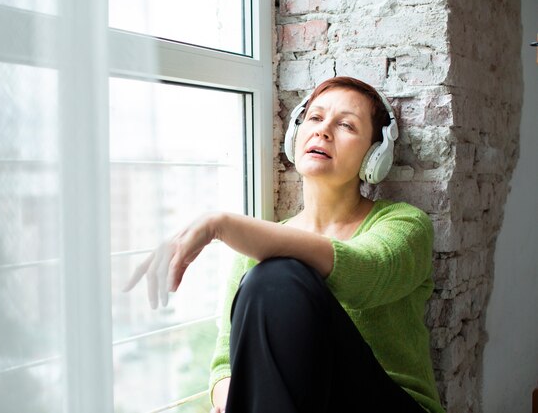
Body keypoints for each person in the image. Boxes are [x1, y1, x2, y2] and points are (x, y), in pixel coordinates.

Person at [125, 76, 445, 413]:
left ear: (374, 154)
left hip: (391, 404)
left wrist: (220, 224)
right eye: (316, 118)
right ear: (296, 134)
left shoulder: (404, 223)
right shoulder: (258, 250)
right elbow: (224, 367)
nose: (323, 131)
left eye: (346, 125)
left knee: (277, 276)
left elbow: (362, 273)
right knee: (270, 278)